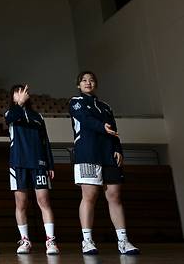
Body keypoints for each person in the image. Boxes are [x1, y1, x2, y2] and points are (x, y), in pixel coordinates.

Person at [70, 71, 139, 255]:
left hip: (108, 154)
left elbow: (114, 130)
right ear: (79, 85)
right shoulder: (75, 101)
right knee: (89, 196)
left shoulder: (105, 106)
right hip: (87, 154)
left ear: (96, 84)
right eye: (84, 80)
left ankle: (123, 241)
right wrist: (102, 127)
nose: (88, 82)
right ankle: (87, 240)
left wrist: (118, 149)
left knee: (115, 196)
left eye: (91, 80)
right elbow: (85, 120)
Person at [5, 84, 59, 255]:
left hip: (39, 163)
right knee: (21, 203)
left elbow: (45, 141)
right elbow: (9, 119)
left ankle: (50, 240)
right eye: (17, 92)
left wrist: (49, 164)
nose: (21, 94)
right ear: (13, 97)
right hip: (18, 163)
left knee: (44, 200)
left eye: (23, 92)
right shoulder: (11, 113)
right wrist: (19, 104)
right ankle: (25, 240)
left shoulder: (38, 116)